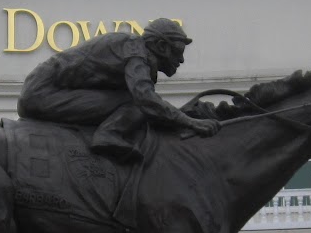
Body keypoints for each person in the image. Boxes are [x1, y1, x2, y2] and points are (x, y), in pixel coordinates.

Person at [16, 18, 219, 162]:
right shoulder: (135, 50)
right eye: (178, 52)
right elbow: (145, 99)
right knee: (136, 104)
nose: (181, 59)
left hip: (43, 92)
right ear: (161, 46)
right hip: (42, 94)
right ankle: (108, 136)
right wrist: (190, 122)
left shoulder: (134, 51)